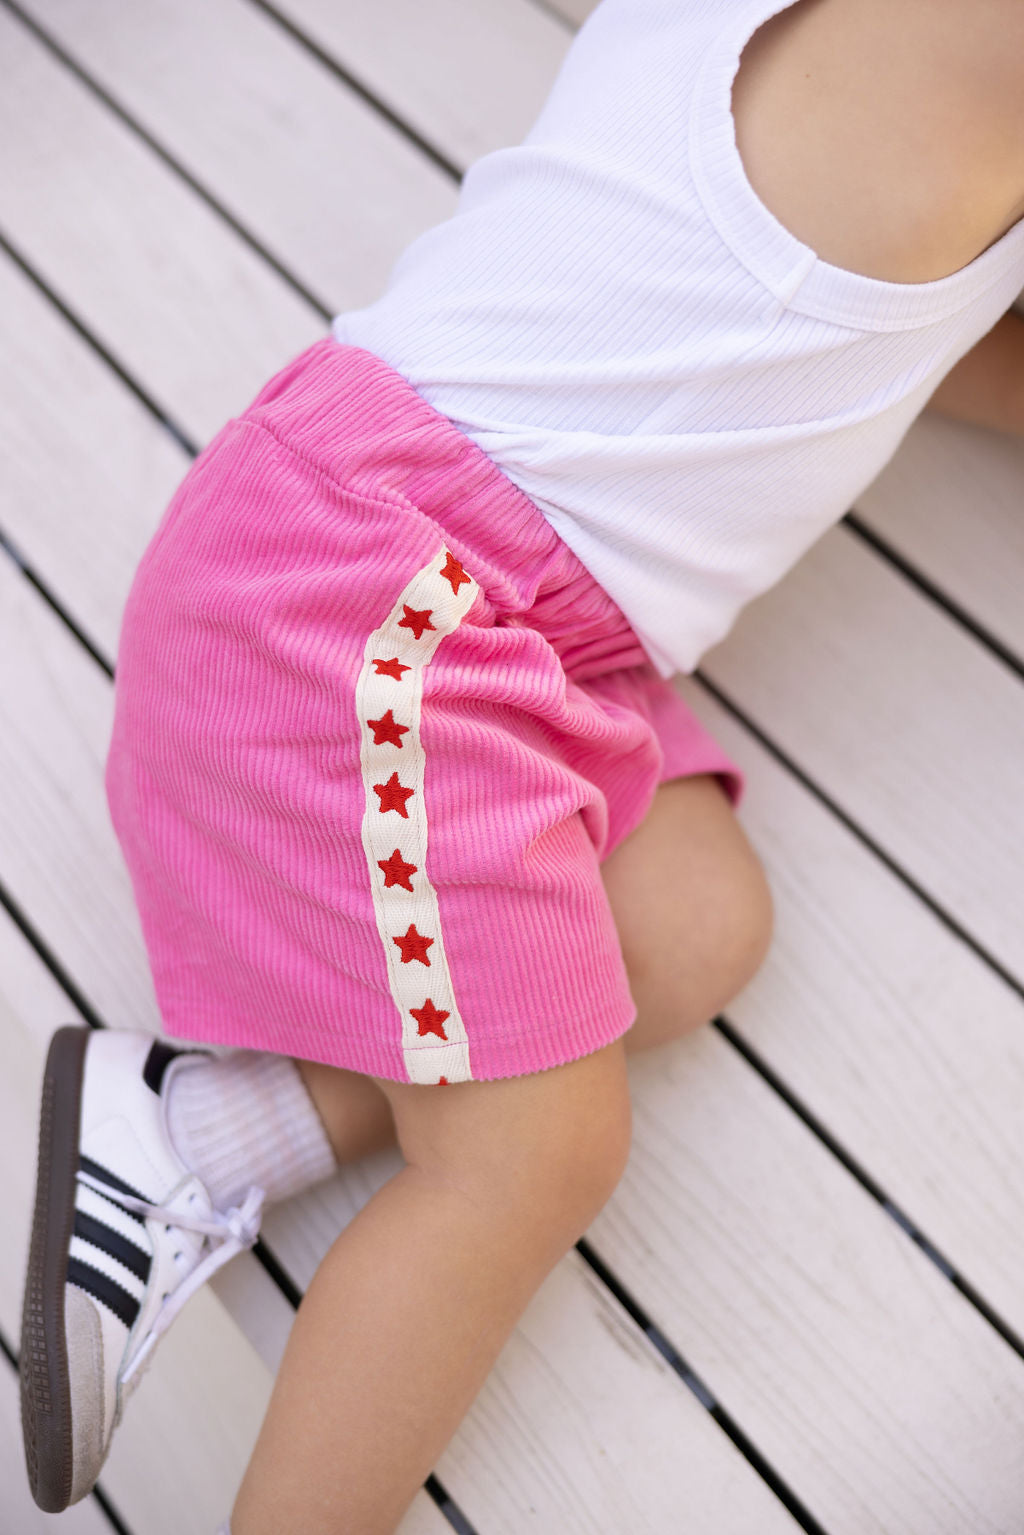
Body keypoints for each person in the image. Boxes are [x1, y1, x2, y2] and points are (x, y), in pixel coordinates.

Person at [19, 0, 1024, 1529]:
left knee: (691, 930)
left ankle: (192, 1127)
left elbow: (935, 317)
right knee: (536, 1159)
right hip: (373, 594)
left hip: (513, 628)